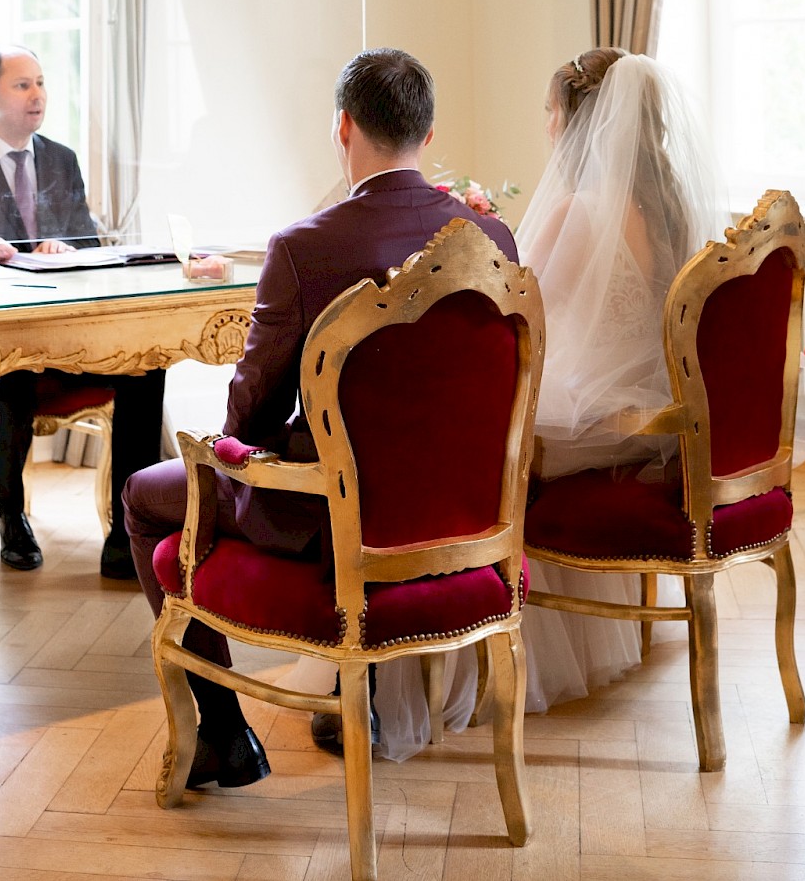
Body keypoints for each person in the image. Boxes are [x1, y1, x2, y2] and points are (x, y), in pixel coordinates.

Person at [122, 47, 518, 789]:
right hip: (466, 512)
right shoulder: (492, 242)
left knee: (147, 498)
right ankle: (344, 690)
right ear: (427, 137)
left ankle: (227, 730)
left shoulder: (307, 246)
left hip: (334, 517)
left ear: (342, 127)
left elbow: (250, 416)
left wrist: (236, 451)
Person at [516, 47, 719, 711]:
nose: (547, 125)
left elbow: (519, 320)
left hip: (602, 421)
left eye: (551, 111)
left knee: (490, 441)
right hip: (660, 419)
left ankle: (491, 643)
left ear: (580, 123)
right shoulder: (672, 209)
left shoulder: (581, 210)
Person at [0, 45, 164, 580]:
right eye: (22, 85)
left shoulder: (61, 159)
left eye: (41, 83)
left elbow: (90, 243)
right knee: (10, 376)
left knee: (146, 366)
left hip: (66, 332)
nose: (38, 95)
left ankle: (129, 530)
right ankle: (13, 519)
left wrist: (66, 249)